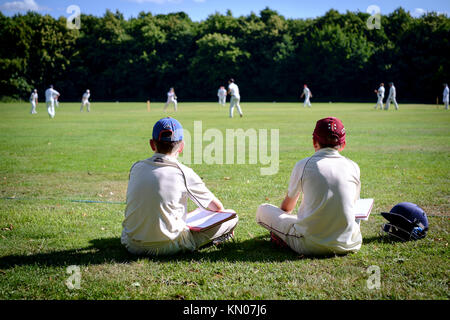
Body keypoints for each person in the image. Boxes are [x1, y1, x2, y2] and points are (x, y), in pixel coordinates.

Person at [121, 117, 239, 255]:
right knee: (232, 216)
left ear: (152, 144)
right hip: (169, 246)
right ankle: (221, 237)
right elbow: (217, 208)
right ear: (181, 147)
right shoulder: (184, 172)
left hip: (131, 244)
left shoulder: (136, 167)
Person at [256, 117, 362, 256]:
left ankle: (284, 238)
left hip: (309, 244)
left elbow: (287, 208)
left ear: (314, 142)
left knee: (262, 210)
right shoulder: (353, 166)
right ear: (343, 144)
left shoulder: (304, 164)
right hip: (349, 243)